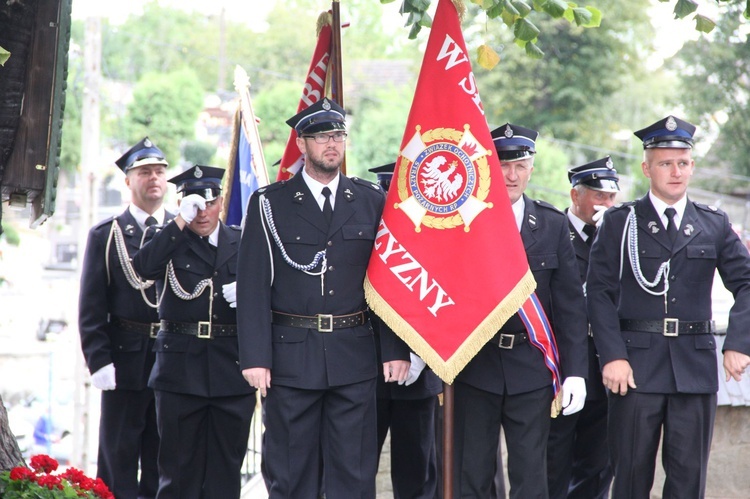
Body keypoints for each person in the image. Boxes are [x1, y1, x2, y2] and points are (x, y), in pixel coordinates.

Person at [236, 97, 410, 499]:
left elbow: (387, 281)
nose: (332, 144)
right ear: (302, 144)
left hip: (354, 356)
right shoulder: (270, 204)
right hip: (291, 358)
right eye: (320, 137)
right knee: (291, 472)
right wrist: (256, 357)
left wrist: (395, 348)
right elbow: (252, 287)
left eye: (338, 135)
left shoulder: (370, 200)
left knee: (354, 473)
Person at [587, 115, 750, 498]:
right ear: (647, 168)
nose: (675, 172)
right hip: (635, 368)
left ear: (692, 166)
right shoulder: (620, 222)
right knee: (629, 478)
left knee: (688, 481)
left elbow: (746, 283)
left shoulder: (713, 224)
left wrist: (739, 342)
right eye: (664, 163)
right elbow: (598, 293)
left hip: (693, 370)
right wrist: (611, 355)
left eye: (682, 163)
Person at [452, 123, 589, 498]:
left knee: (531, 478)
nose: (511, 175)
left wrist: (576, 372)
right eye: (503, 164)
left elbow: (570, 308)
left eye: (520, 165)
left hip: (531, 370)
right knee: (472, 477)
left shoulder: (551, 224)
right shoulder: (462, 221)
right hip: (475, 366)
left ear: (531, 168)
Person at [132, 165, 255, 499]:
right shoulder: (171, 239)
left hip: (231, 372)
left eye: (210, 202)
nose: (203, 212)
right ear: (182, 202)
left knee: (225, 475)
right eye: (195, 204)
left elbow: (274, 289)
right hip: (180, 374)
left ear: (222, 202)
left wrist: (249, 292)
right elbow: (143, 267)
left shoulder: (242, 242)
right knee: (177, 476)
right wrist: (178, 223)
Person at [78, 137, 172, 499]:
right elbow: (91, 305)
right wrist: (98, 360)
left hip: (170, 358)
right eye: (145, 172)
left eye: (160, 172)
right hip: (124, 358)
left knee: (161, 456)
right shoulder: (107, 235)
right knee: (117, 455)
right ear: (128, 181)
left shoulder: (179, 233)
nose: (154, 179)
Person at [546, 156, 619, 499]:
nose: (606, 205)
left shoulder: (619, 240)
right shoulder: (550, 231)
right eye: (598, 196)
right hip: (559, 360)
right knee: (554, 456)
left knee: (598, 460)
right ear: (576, 196)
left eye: (610, 198)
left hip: (603, 359)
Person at [369, 162, 442, 499]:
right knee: (354, 467)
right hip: (368, 371)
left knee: (417, 474)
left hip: (419, 375)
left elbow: (444, 303)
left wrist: (422, 356)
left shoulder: (432, 240)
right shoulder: (364, 239)